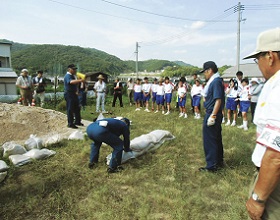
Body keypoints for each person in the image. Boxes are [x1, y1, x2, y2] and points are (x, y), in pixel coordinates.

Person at [243, 27, 280, 220]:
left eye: (258, 59)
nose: (258, 65)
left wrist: (258, 197)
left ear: (271, 57)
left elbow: (276, 154)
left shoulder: (277, 88)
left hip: (274, 184)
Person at [200, 61, 225, 172]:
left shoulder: (215, 82)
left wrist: (213, 116)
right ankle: (218, 162)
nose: (204, 75)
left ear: (210, 70)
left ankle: (212, 165)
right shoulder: (215, 81)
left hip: (212, 113)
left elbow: (218, 100)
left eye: (205, 72)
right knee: (215, 138)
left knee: (210, 139)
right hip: (212, 112)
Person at [64, 64, 84, 129]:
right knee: (70, 109)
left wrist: (77, 92)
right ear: (69, 69)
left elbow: (74, 85)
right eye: (73, 69)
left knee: (77, 108)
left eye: (75, 69)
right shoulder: (68, 76)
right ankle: (70, 123)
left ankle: (77, 121)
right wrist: (80, 80)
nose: (75, 70)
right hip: (69, 94)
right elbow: (71, 82)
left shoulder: (73, 76)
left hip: (74, 93)